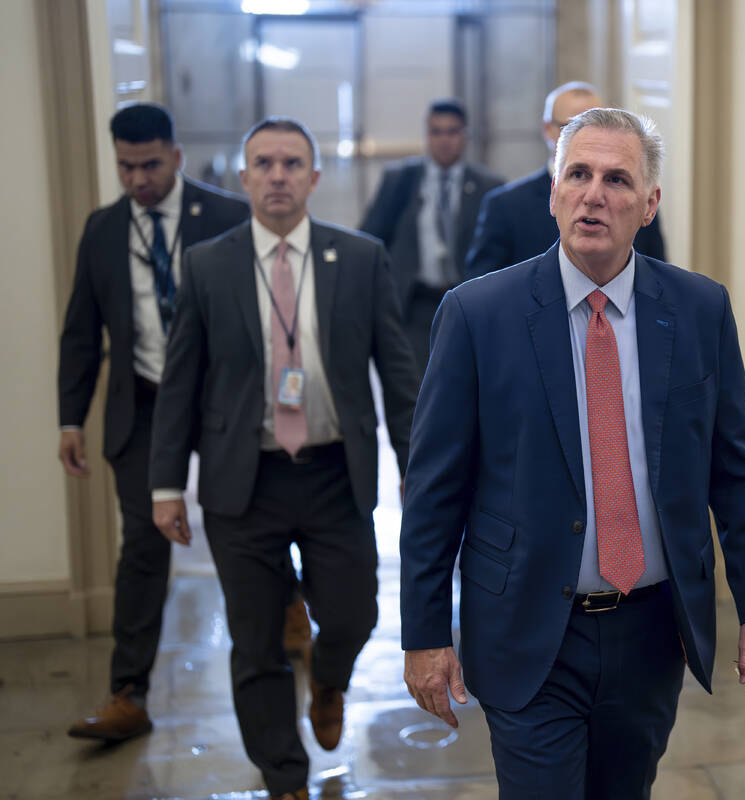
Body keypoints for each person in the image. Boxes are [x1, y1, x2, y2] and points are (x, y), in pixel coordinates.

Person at [400, 107, 745, 799]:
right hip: (525, 627)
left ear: (649, 204)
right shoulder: (477, 315)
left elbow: (736, 472)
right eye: (577, 174)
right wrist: (425, 632)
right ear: (553, 192)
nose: (594, 194)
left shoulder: (699, 309)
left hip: (650, 630)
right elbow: (434, 491)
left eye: (617, 179)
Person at [149, 116, 419, 800]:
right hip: (245, 481)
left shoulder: (359, 258)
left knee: (355, 614)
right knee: (256, 641)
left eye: (292, 164)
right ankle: (284, 777)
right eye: (263, 164)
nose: (277, 176)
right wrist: (164, 486)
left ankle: (328, 679)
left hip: (335, 473)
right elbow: (180, 381)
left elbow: (398, 374)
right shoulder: (208, 265)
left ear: (314, 178)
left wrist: (418, 469)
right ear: (243, 179)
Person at [58, 103, 249, 742]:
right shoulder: (104, 229)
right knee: (142, 545)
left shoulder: (225, 217)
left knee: (248, 522)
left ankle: (289, 614)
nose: (138, 179)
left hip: (221, 396)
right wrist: (70, 418)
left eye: (148, 165)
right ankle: (127, 694)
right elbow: (81, 332)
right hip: (141, 402)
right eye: (125, 167)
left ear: (175, 157)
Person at [463, 81, 666, 281]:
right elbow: (485, 292)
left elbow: (657, 279)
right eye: (572, 125)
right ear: (547, 129)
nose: (593, 196)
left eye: (615, 179)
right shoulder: (506, 205)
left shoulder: (635, 199)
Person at [358, 98, 503, 375]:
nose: (444, 140)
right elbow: (371, 238)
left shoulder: (488, 186)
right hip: (415, 304)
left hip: (467, 300)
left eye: (452, 132)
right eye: (437, 132)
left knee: (466, 377)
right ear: (427, 135)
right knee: (416, 386)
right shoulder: (400, 180)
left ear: (465, 136)